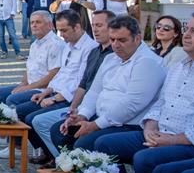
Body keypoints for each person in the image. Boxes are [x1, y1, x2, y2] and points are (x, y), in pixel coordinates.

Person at [96, 11, 194, 173]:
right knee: (104, 144)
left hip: (191, 143)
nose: (186, 35)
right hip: (159, 132)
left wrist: (173, 140)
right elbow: (160, 103)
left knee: (146, 160)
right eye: (186, 30)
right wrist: (150, 127)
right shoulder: (179, 66)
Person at [51, 15, 166, 157]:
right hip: (103, 119)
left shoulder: (148, 62)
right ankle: (77, 170)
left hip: (128, 124)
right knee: (59, 131)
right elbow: (94, 92)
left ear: (137, 38)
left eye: (122, 40)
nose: (116, 45)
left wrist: (94, 125)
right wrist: (82, 115)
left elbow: (131, 105)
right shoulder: (111, 58)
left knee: (85, 144)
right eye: (112, 40)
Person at [0, 9, 98, 163]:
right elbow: (62, 74)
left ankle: (55, 156)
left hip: (71, 98)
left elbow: (79, 82)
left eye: (64, 30)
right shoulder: (69, 45)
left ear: (77, 27)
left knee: (26, 114)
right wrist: (47, 92)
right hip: (53, 92)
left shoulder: (89, 48)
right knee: (16, 106)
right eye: (60, 31)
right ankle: (47, 151)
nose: (62, 35)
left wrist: (54, 98)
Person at [28, 10, 116, 162]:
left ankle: (63, 161)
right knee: (19, 105)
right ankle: (60, 160)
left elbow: (83, 86)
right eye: (93, 25)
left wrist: (63, 103)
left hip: (89, 105)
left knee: (34, 118)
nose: (95, 29)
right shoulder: (94, 51)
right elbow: (79, 82)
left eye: (99, 25)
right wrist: (52, 95)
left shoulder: (96, 50)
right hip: (76, 101)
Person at [0, 10, 65, 155]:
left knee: (12, 99)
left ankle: (17, 147)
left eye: (38, 22)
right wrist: (22, 85)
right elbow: (29, 69)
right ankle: (2, 135)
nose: (34, 25)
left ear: (50, 25)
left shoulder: (55, 44)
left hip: (45, 89)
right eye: (32, 22)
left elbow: (53, 74)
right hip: (32, 85)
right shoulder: (35, 43)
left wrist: (28, 87)